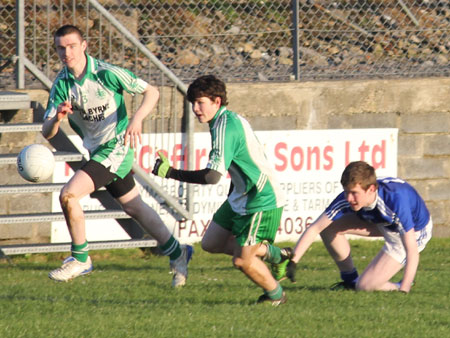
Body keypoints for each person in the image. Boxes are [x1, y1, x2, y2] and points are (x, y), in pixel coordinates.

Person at [42, 25, 193, 287]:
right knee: (133, 206)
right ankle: (178, 252)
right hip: (97, 151)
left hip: (117, 146)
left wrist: (137, 119)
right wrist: (57, 118)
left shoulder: (106, 73)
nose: (67, 52)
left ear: (84, 45)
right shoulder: (62, 85)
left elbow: (152, 91)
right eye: (61, 48)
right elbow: (47, 131)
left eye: (72, 46)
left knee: (68, 194)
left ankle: (80, 258)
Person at [152, 75, 290, 305]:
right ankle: (277, 255)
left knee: (242, 262)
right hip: (241, 195)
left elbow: (212, 176)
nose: (195, 109)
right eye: (193, 103)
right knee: (211, 244)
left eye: (200, 102)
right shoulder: (222, 121)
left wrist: (171, 172)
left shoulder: (226, 127)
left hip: (261, 200)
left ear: (217, 101)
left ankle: (276, 296)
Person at [285, 161, 432, 293]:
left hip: (413, 233)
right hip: (382, 223)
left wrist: (404, 290)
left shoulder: (395, 201)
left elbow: (412, 249)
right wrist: (293, 261)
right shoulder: (349, 198)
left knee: (365, 286)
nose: (349, 198)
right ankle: (350, 280)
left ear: (371, 189)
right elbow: (315, 228)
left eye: (354, 193)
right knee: (328, 227)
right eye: (346, 191)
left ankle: (399, 286)